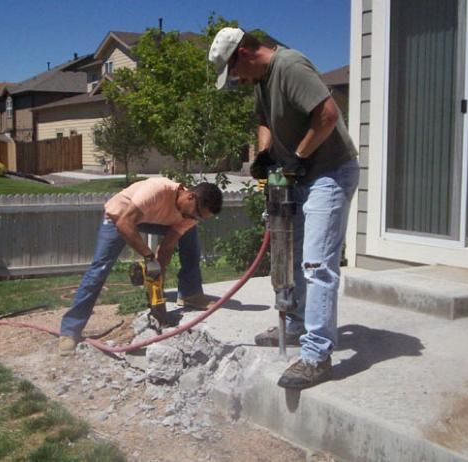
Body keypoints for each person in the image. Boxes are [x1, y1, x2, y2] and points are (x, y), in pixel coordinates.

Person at [209, 28, 359, 389]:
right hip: (299, 174)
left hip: (329, 173)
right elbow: (265, 121)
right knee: (290, 255)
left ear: (244, 52)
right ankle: (295, 324)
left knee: (316, 264)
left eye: (235, 73)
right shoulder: (260, 80)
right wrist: (265, 154)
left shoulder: (290, 66)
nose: (238, 82)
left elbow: (326, 115)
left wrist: (295, 159)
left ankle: (317, 356)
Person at [59, 177, 223, 355]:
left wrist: (157, 278)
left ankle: (190, 293)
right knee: (100, 268)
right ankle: (70, 330)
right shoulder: (157, 190)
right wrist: (148, 256)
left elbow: (167, 247)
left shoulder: (191, 214)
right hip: (121, 215)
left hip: (154, 219)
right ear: (190, 197)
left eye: (201, 217)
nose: (195, 218)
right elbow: (124, 223)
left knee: (190, 234)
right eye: (197, 214)